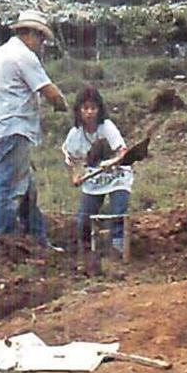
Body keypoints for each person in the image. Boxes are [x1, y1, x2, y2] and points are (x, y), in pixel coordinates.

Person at [0, 9, 68, 247]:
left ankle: (38, 240)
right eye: (41, 38)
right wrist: (64, 106)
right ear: (30, 33)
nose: (42, 45)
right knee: (9, 188)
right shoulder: (23, 56)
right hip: (15, 128)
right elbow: (49, 91)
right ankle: (3, 241)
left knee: (26, 191)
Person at [63, 86, 133, 253]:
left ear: (99, 109)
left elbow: (123, 150)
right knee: (84, 219)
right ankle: (86, 252)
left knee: (117, 213)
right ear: (79, 110)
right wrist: (74, 177)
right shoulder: (75, 134)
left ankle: (118, 248)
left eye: (93, 108)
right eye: (85, 108)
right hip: (93, 178)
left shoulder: (107, 127)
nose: (89, 112)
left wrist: (114, 161)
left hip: (117, 176)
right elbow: (69, 159)